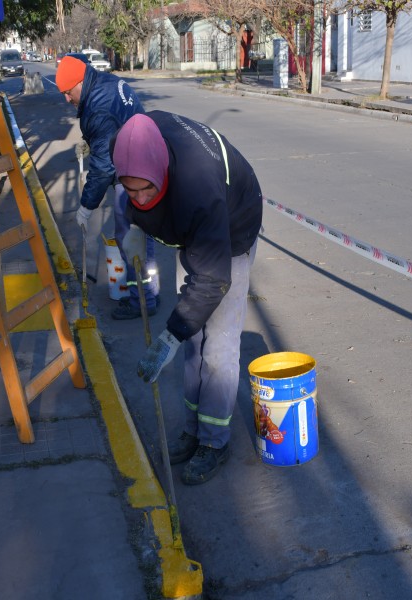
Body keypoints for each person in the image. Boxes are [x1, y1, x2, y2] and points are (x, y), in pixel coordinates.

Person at [112, 112, 263, 485]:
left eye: (148, 188)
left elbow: (213, 278)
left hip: (231, 226)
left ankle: (214, 442)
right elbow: (124, 201)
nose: (141, 198)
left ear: (161, 170)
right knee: (193, 345)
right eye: (132, 190)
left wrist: (169, 335)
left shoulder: (197, 190)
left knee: (217, 349)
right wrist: (129, 230)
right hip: (192, 233)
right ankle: (193, 431)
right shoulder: (135, 151)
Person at [55, 55, 159, 319]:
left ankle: (142, 303)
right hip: (144, 164)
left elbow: (102, 169)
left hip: (134, 174)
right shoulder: (105, 81)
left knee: (130, 239)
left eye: (68, 93)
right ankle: (149, 295)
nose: (67, 100)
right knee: (141, 238)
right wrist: (93, 143)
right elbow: (114, 132)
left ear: (79, 83)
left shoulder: (98, 107)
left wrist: (86, 207)